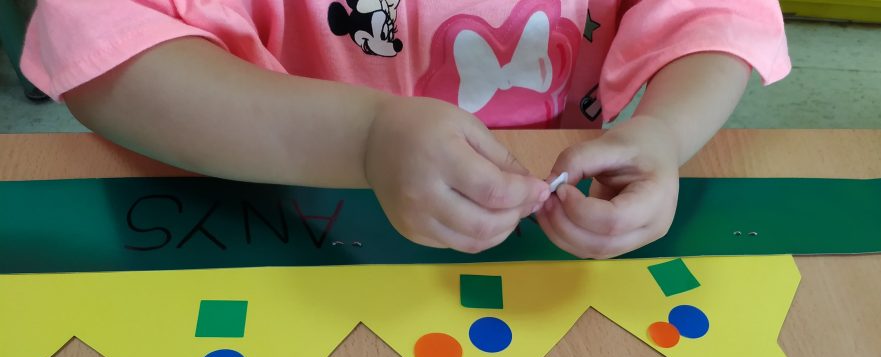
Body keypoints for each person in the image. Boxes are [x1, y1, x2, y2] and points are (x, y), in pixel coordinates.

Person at [21, 0, 790, 258]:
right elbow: (98, 46)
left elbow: (718, 16)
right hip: (298, 224)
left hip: (538, 238)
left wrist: (664, 134)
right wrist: (360, 139)